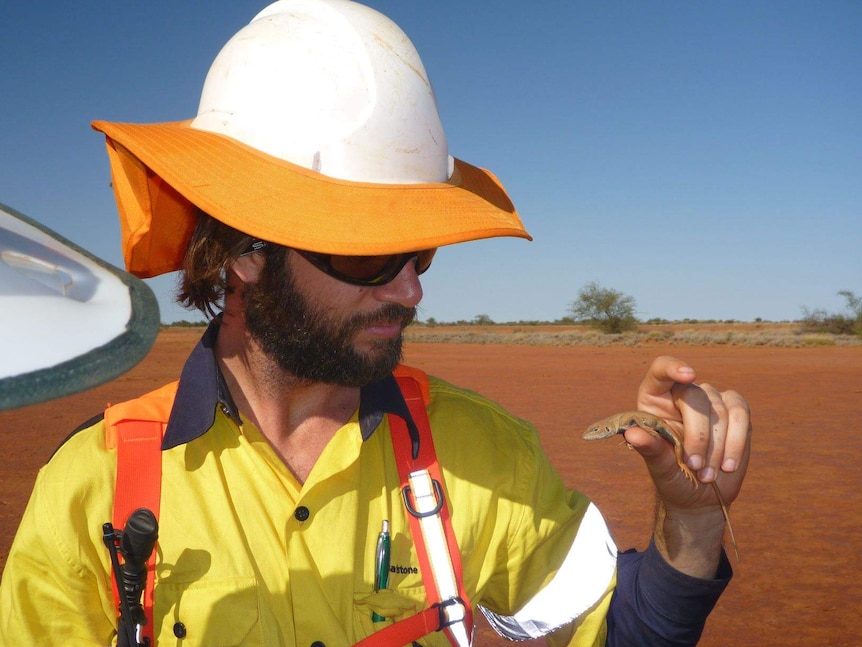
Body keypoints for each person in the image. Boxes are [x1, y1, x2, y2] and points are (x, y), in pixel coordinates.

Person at [0, 1, 751, 645]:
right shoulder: (94, 487)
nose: (411, 289)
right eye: (372, 255)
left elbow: (620, 629)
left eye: (418, 250)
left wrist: (690, 523)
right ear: (245, 253)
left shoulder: (480, 451)